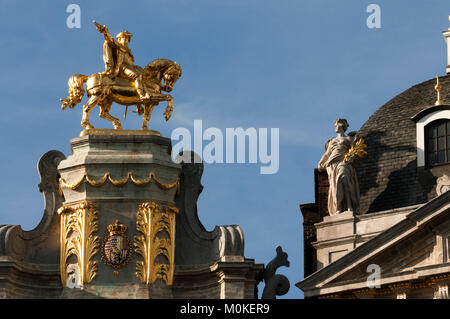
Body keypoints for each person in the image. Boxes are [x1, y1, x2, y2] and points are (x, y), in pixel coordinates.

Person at [94, 21, 151, 100]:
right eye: (124, 37)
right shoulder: (117, 45)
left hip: (130, 67)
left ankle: (142, 99)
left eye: (127, 38)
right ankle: (141, 95)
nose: (126, 39)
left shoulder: (128, 49)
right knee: (137, 75)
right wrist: (105, 32)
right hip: (122, 68)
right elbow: (109, 40)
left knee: (143, 76)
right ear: (119, 38)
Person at [318, 118, 360, 215]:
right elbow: (327, 154)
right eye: (335, 125)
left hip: (343, 162)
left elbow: (356, 151)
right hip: (332, 164)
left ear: (343, 126)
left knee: (343, 178)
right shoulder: (332, 141)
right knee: (335, 186)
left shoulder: (349, 139)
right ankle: (339, 208)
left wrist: (352, 157)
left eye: (337, 125)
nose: (336, 127)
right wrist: (321, 162)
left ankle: (349, 206)